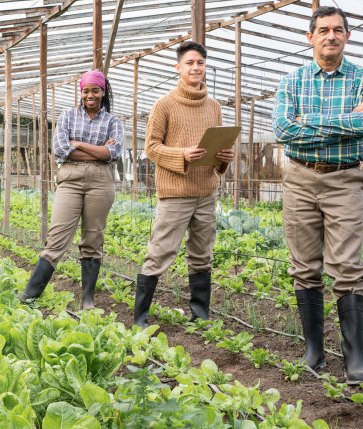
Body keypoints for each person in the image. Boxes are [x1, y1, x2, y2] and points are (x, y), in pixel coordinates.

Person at [273, 6, 363, 384]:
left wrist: (310, 125)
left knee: (348, 266)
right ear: (310, 37)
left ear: (347, 36)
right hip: (299, 179)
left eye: (337, 30)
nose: (330, 36)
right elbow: (284, 129)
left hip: (344, 179)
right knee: (304, 266)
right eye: (323, 30)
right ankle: (314, 350)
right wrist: (343, 124)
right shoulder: (292, 81)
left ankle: (355, 360)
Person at [132, 41, 233, 329]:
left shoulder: (213, 107)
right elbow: (151, 148)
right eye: (190, 62)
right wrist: (182, 155)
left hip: (205, 192)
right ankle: (140, 318)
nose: (196, 67)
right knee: (161, 251)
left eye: (200, 62)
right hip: (175, 193)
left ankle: (200, 314)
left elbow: (217, 149)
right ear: (178, 67)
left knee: (202, 252)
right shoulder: (164, 105)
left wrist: (223, 158)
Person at [19, 69, 123, 310]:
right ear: (81, 92)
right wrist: (98, 151)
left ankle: (87, 301)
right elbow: (60, 149)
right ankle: (30, 296)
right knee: (57, 237)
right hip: (70, 180)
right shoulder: (67, 116)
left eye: (95, 90)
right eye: (86, 90)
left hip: (101, 183)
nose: (90, 95)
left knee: (93, 238)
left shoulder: (113, 122)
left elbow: (114, 153)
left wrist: (79, 144)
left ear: (102, 92)